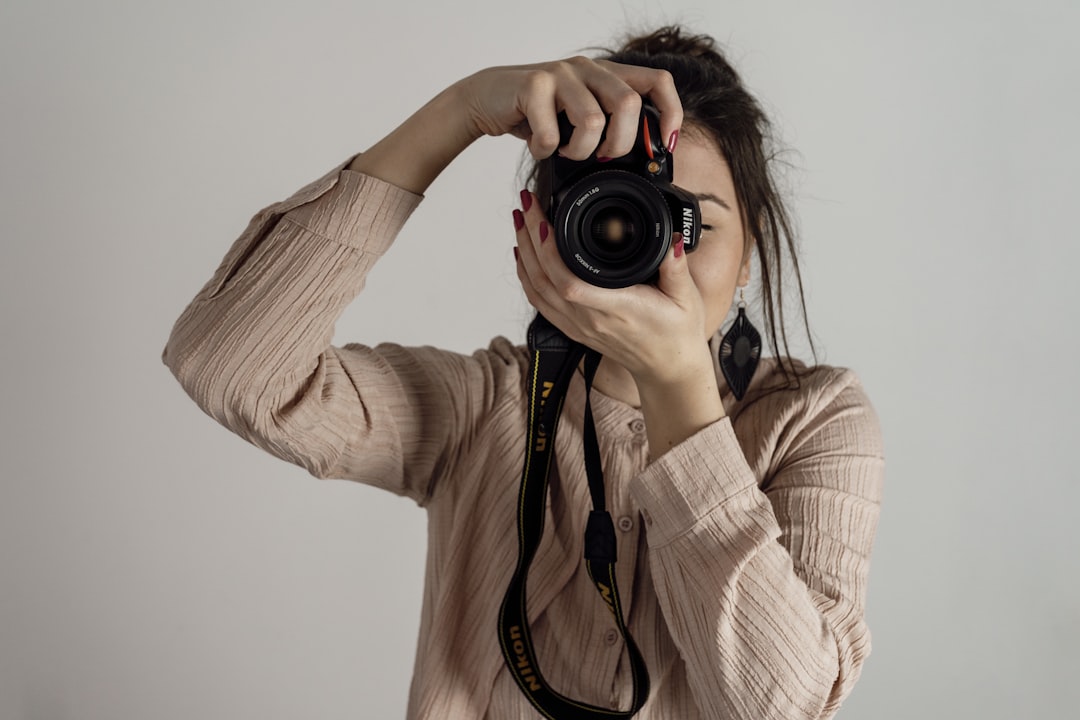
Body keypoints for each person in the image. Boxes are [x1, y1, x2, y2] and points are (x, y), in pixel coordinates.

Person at [162, 25, 884, 720]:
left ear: (751, 252)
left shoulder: (813, 418)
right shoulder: (487, 406)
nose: (653, 247)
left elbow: (781, 704)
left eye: (688, 220)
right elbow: (230, 366)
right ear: (552, 227)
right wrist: (459, 111)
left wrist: (678, 389)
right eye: (618, 216)